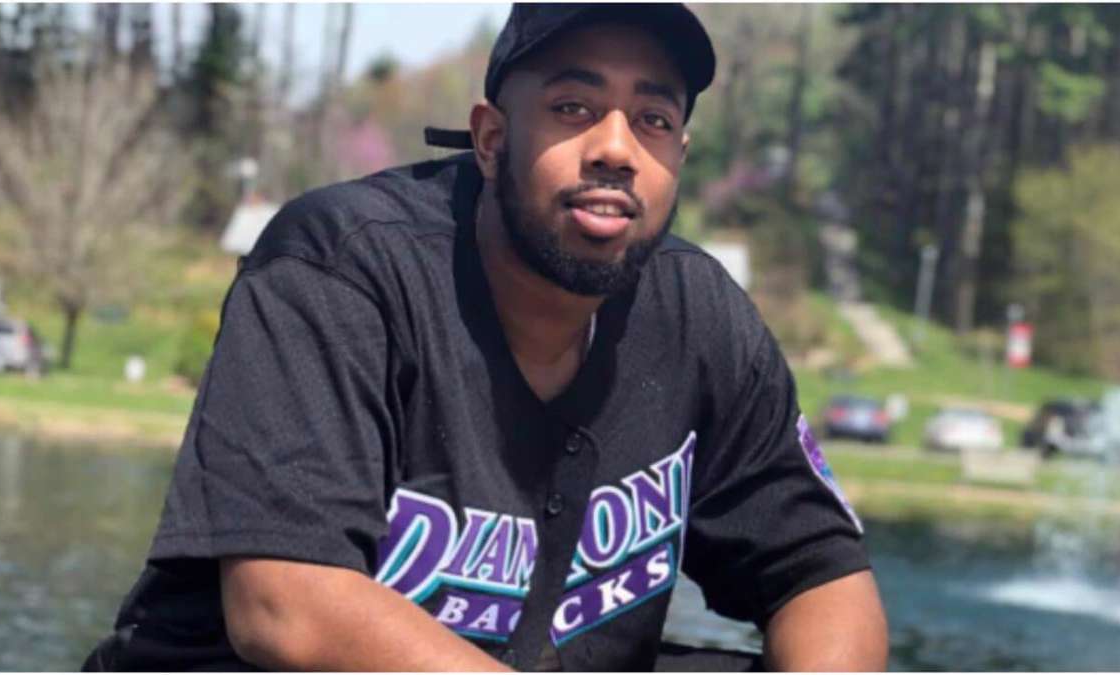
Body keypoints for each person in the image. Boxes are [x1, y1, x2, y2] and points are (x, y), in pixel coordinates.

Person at [84, 4, 888, 671]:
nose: (616, 148)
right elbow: (284, 603)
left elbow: (820, 574)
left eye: (653, 119)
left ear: (678, 156)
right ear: (492, 139)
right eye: (573, 108)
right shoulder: (340, 266)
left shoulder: (701, 314)